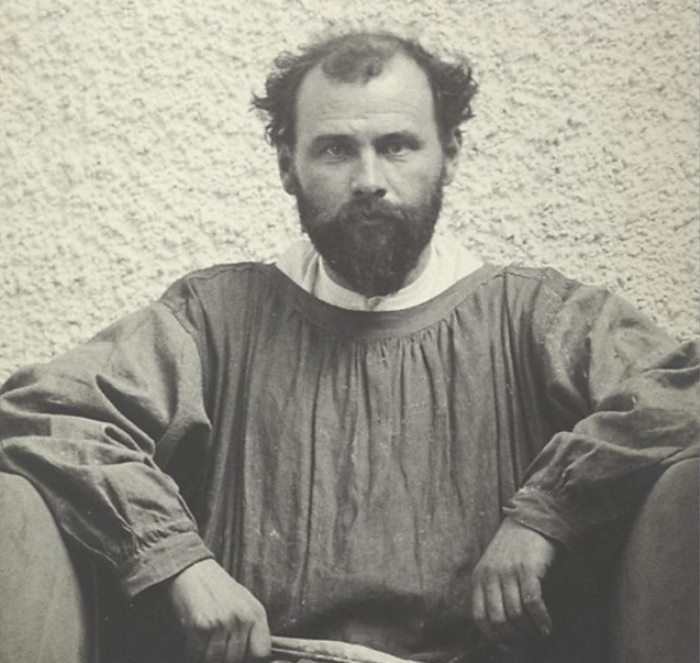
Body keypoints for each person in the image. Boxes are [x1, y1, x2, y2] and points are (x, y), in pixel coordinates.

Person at [0, 30, 697, 663]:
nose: (369, 180)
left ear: (449, 156)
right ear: (288, 165)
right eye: (335, 148)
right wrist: (177, 559)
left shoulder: (537, 314)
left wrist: (547, 511)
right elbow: (46, 412)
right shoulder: (212, 318)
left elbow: (678, 389)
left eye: (397, 145)